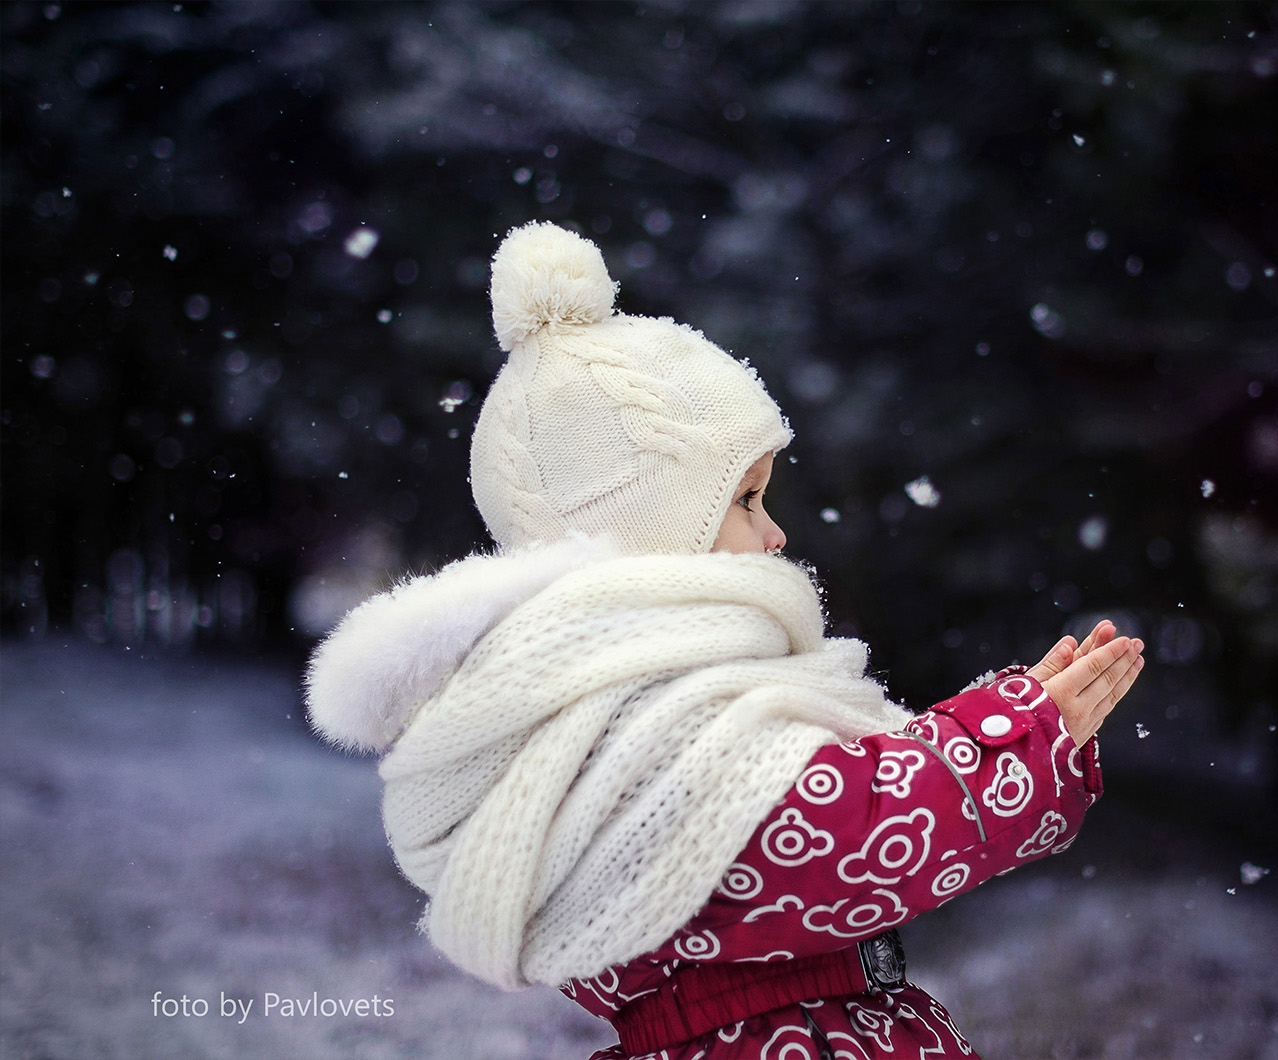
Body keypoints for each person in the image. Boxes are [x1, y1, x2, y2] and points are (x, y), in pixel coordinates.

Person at [305, 222, 1144, 1059]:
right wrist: (1009, 741)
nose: (775, 535)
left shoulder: (613, 707)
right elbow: (837, 840)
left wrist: (1010, 729)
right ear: (644, 528)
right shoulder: (631, 724)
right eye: (746, 501)